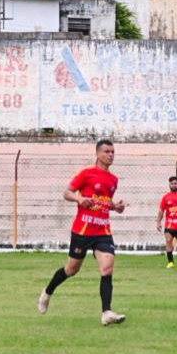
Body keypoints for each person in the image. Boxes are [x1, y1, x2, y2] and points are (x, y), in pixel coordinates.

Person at [38, 139, 127, 325]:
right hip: (83, 230)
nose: (111, 155)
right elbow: (67, 192)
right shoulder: (86, 174)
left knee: (107, 267)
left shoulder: (113, 180)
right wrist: (79, 199)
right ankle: (47, 292)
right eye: (107, 151)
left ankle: (106, 312)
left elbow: (102, 201)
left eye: (113, 152)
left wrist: (114, 207)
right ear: (97, 153)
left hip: (102, 230)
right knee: (71, 270)